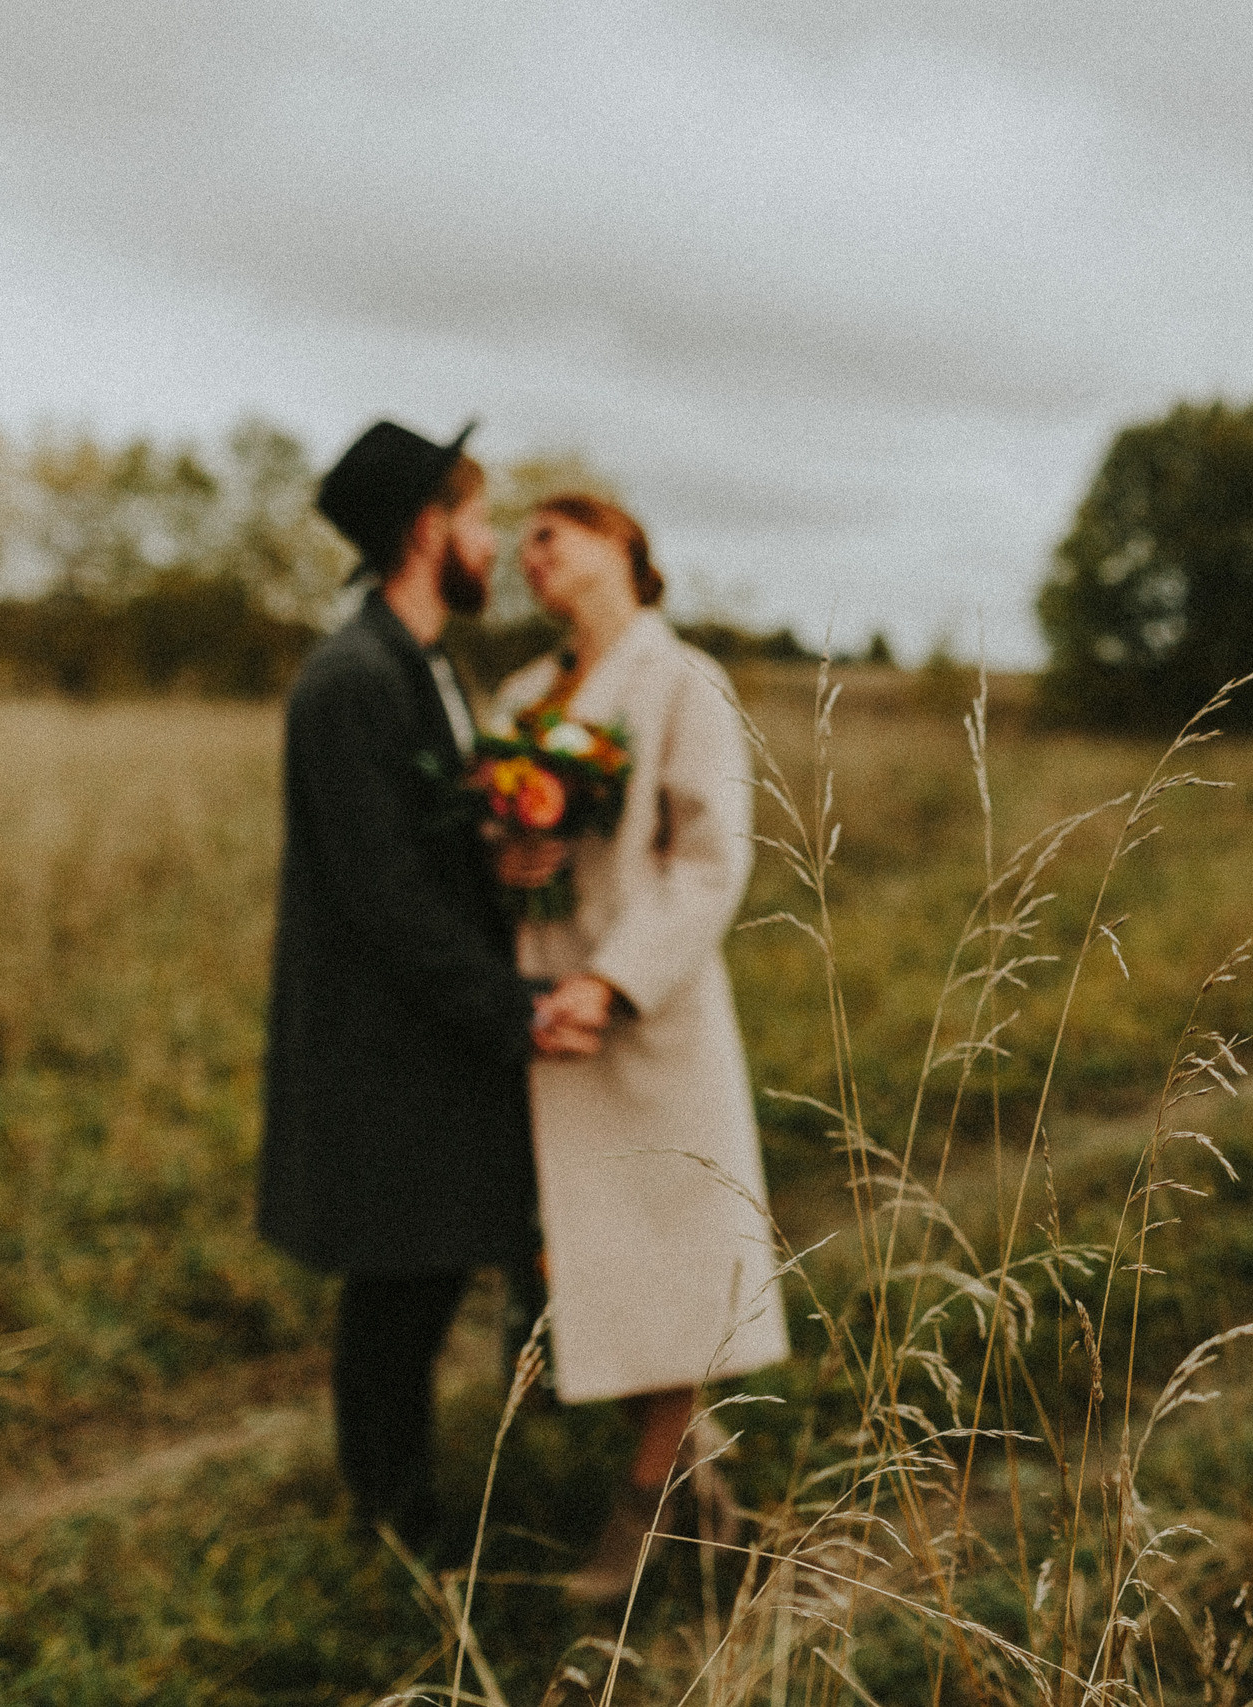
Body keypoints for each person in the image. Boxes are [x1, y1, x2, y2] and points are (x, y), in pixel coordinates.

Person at [257, 419, 588, 1554]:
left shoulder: (434, 665)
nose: (491, 544)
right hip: (381, 1041)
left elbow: (429, 850)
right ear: (423, 530)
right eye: (478, 518)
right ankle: (391, 1522)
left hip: (428, 1035)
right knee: (396, 1287)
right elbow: (381, 895)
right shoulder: (350, 681)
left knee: (424, 1270)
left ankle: (404, 1504)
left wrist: (503, 860)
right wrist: (513, 1011)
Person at [491, 492, 791, 1604]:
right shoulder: (525, 695)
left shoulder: (681, 681)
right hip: (542, 1010)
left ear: (620, 545)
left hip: (645, 1014)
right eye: (520, 541)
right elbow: (509, 836)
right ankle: (702, 1491)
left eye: (550, 535)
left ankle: (641, 1510)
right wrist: (510, 860)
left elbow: (709, 859)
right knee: (586, 1264)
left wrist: (611, 984)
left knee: (664, 1260)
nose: (531, 556)